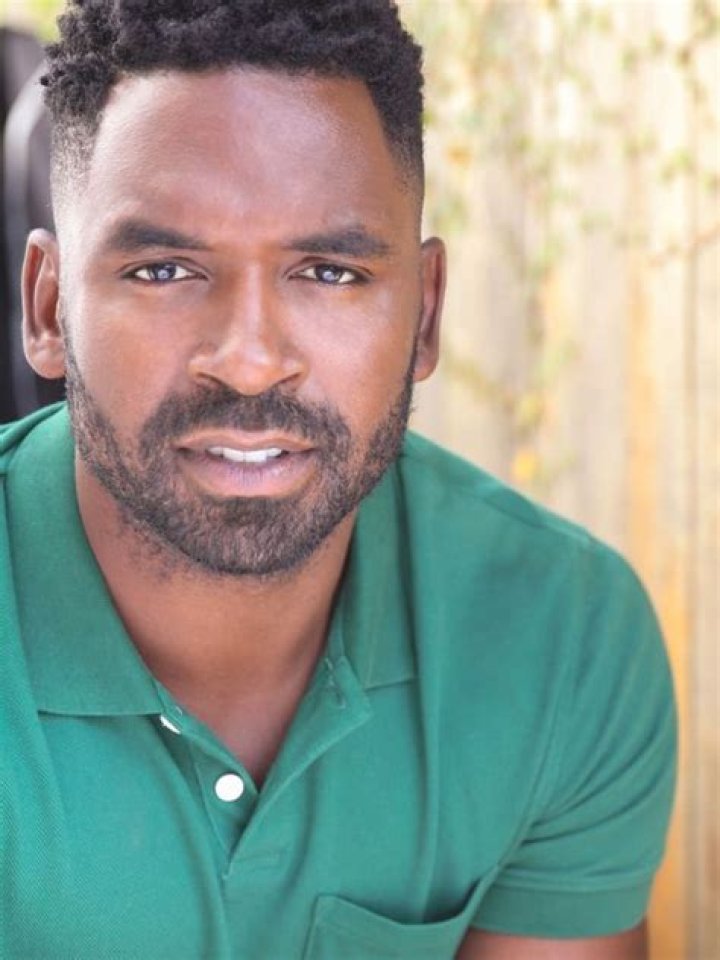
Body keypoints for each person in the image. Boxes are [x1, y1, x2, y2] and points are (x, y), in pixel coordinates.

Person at [0, 1, 676, 957]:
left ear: (426, 316)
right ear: (47, 308)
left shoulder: (559, 639)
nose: (248, 362)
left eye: (328, 273)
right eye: (163, 270)